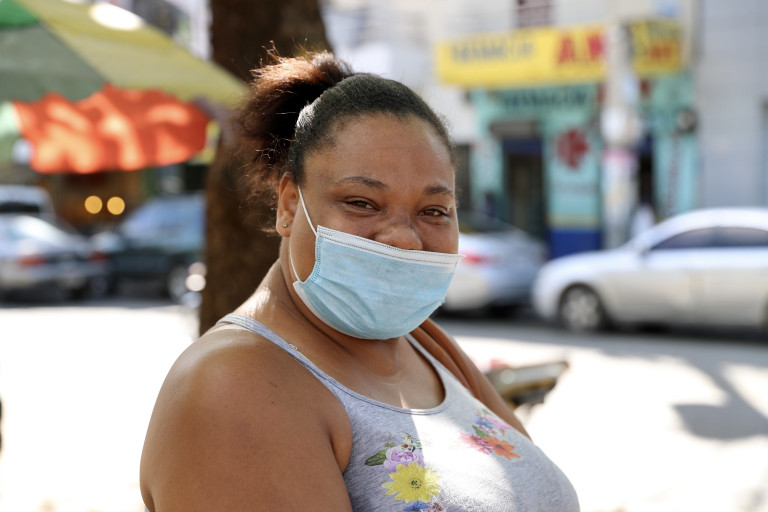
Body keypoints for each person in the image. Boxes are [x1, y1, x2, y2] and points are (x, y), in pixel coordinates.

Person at [140, 51, 579, 512]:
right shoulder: (233, 388)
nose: (405, 239)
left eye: (433, 211)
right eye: (362, 203)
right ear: (289, 205)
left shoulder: (427, 346)